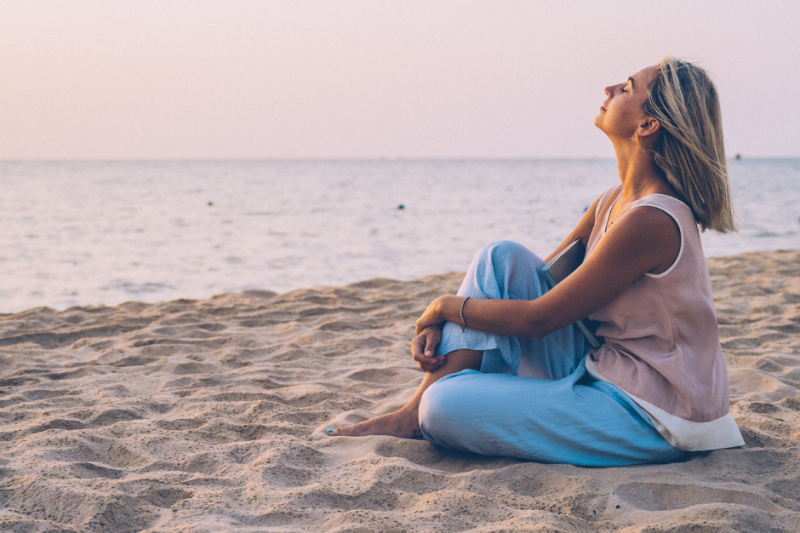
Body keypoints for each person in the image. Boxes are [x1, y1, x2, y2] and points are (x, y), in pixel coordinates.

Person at [327, 57, 745, 466]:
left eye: (627, 88)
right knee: (499, 259)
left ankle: (425, 409)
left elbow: (538, 319)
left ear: (647, 126)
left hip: (657, 412)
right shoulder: (611, 202)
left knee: (442, 406)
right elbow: (530, 286)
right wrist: (454, 324)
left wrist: (442, 308)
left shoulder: (652, 219)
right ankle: (410, 414)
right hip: (605, 366)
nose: (610, 89)